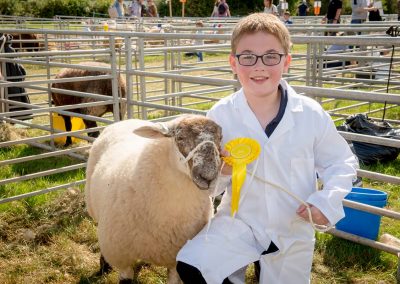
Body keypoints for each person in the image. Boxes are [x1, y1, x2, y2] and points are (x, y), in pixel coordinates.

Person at [176, 13, 358, 284]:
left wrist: (326, 201)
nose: (259, 66)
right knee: (195, 266)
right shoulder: (220, 115)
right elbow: (210, 182)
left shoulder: (309, 114)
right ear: (233, 63)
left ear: (287, 61)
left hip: (292, 225)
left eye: (271, 56)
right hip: (240, 221)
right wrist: (222, 172)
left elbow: (341, 163)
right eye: (247, 56)